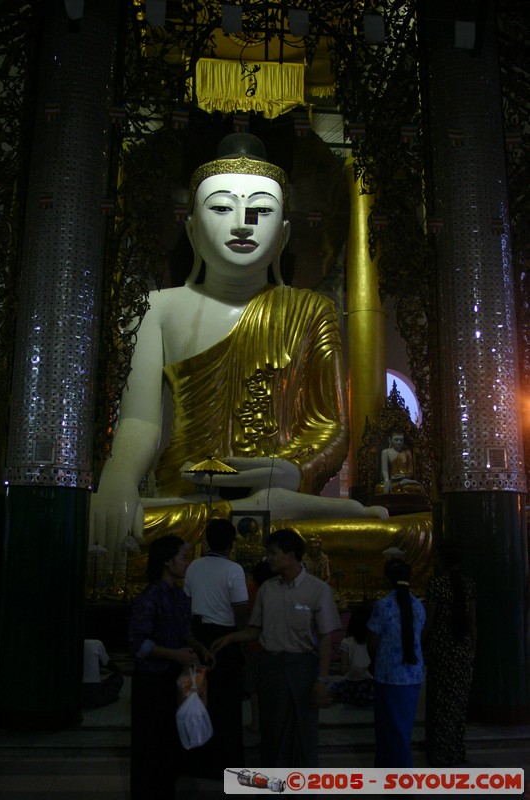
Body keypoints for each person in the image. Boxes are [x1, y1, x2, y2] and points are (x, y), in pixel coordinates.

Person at [89, 132, 388, 565]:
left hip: (275, 490)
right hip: (187, 494)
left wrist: (293, 470)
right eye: (222, 207)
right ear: (192, 229)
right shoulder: (157, 308)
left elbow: (331, 427)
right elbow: (139, 422)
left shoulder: (312, 310)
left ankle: (276, 507)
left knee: (399, 533)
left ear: (283, 234)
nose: (243, 223)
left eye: (261, 210)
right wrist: (118, 478)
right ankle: (269, 512)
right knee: (114, 520)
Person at [212, 528, 342, 767]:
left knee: (302, 731)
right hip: (271, 668)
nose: (267, 558)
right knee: (272, 731)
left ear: (290, 555)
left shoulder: (318, 589)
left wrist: (322, 680)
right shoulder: (267, 589)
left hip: (302, 669)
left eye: (272, 553)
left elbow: (325, 638)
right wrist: (231, 638)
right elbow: (256, 630)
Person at [128, 535, 213, 799]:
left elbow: (183, 632)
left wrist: (199, 647)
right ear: (167, 561)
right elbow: (138, 643)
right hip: (152, 682)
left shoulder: (179, 595)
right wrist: (174, 654)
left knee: (169, 741)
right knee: (151, 743)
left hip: (174, 680)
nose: (187, 563)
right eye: (183, 557)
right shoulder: (150, 596)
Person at [183, 518, 249, 777]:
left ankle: (198, 761)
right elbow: (240, 610)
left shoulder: (193, 566)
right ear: (232, 543)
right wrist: (242, 638)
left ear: (207, 540)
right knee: (227, 704)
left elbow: (187, 604)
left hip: (198, 635)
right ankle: (226, 761)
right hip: (226, 637)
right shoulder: (234, 570)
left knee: (198, 699)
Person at [423, 539, 477, 766]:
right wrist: (472, 649)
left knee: (439, 703)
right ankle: (455, 751)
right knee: (457, 703)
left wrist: (421, 643)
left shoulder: (436, 585)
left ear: (441, 560)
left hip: (441, 649)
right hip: (462, 649)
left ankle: (439, 753)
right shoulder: (468, 585)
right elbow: (472, 622)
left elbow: (429, 621)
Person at [367, 559, 425, 767]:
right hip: (413, 675)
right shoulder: (418, 606)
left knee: (388, 728)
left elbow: (373, 642)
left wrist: (375, 662)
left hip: (388, 675)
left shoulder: (383, 605)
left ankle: (397, 774)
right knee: (402, 728)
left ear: (387, 579)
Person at [244, 558, 273, 733]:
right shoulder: (274, 592)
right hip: (271, 646)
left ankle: (256, 722)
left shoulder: (250, 589)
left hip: (253, 644)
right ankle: (270, 722)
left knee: (254, 687)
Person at [328, 605, 374, 706]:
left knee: (334, 686)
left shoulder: (346, 642)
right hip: (371, 688)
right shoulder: (374, 641)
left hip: (352, 688)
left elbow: (342, 671)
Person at [377, 430, 424, 494]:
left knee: (417, 488)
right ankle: (400, 484)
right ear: (390, 440)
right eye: (396, 440)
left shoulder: (407, 452)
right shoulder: (385, 452)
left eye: (401, 440)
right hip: (392, 480)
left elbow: (410, 470)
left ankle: (401, 483)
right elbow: (384, 470)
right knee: (380, 488)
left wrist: (404, 476)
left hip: (405, 479)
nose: (399, 442)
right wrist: (386, 480)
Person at [82, 639, 124, 710]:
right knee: (118, 678)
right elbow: (108, 664)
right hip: (92, 693)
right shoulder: (96, 643)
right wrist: (119, 671)